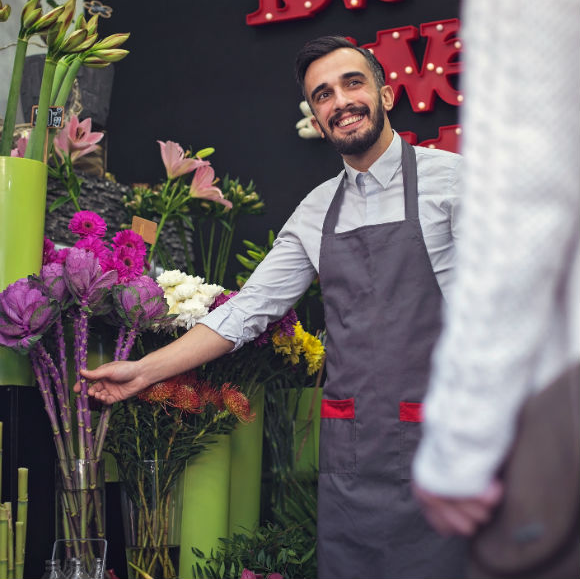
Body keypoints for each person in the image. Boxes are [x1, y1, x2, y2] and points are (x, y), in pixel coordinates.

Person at [79, 36, 466, 578]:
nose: (340, 101)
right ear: (319, 116)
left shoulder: (454, 183)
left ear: (385, 93)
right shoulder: (315, 211)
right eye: (323, 94)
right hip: (353, 454)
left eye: (353, 83)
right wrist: (142, 372)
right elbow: (247, 311)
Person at [412, 0, 579, 575]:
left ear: (388, 93)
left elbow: (523, 210)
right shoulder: (315, 207)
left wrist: (460, 443)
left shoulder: (443, 176)